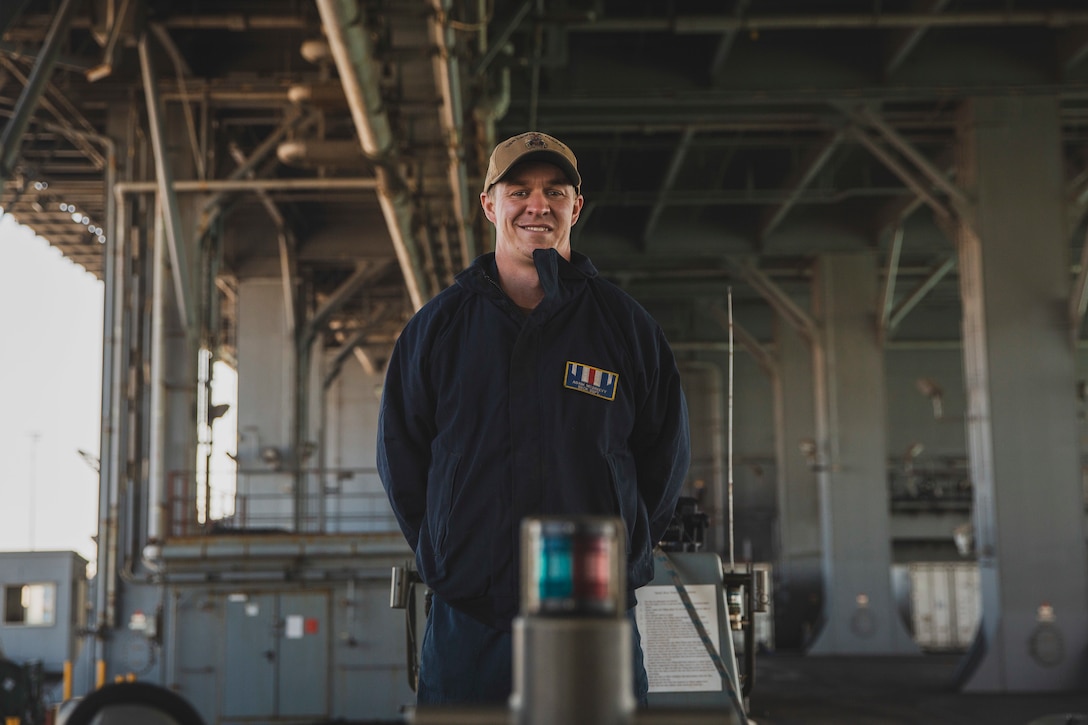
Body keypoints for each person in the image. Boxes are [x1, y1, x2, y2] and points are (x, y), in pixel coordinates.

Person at [376, 131, 691, 706]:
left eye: (555, 191)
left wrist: (620, 555)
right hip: (471, 617)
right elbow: (402, 455)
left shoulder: (624, 327)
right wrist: (446, 555)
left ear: (577, 207)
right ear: (490, 204)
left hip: (592, 619)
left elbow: (663, 458)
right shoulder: (438, 329)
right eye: (518, 189)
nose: (537, 205)